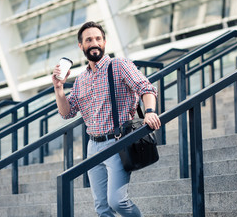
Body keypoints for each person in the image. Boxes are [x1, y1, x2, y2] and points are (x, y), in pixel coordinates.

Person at [52, 21, 161, 217]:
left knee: (117, 201)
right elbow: (67, 112)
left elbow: (146, 87)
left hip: (118, 142)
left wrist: (150, 111)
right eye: (88, 40)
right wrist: (59, 89)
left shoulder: (118, 65)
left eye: (98, 39)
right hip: (93, 147)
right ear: (81, 46)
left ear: (104, 42)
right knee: (102, 208)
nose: (94, 43)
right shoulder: (80, 80)